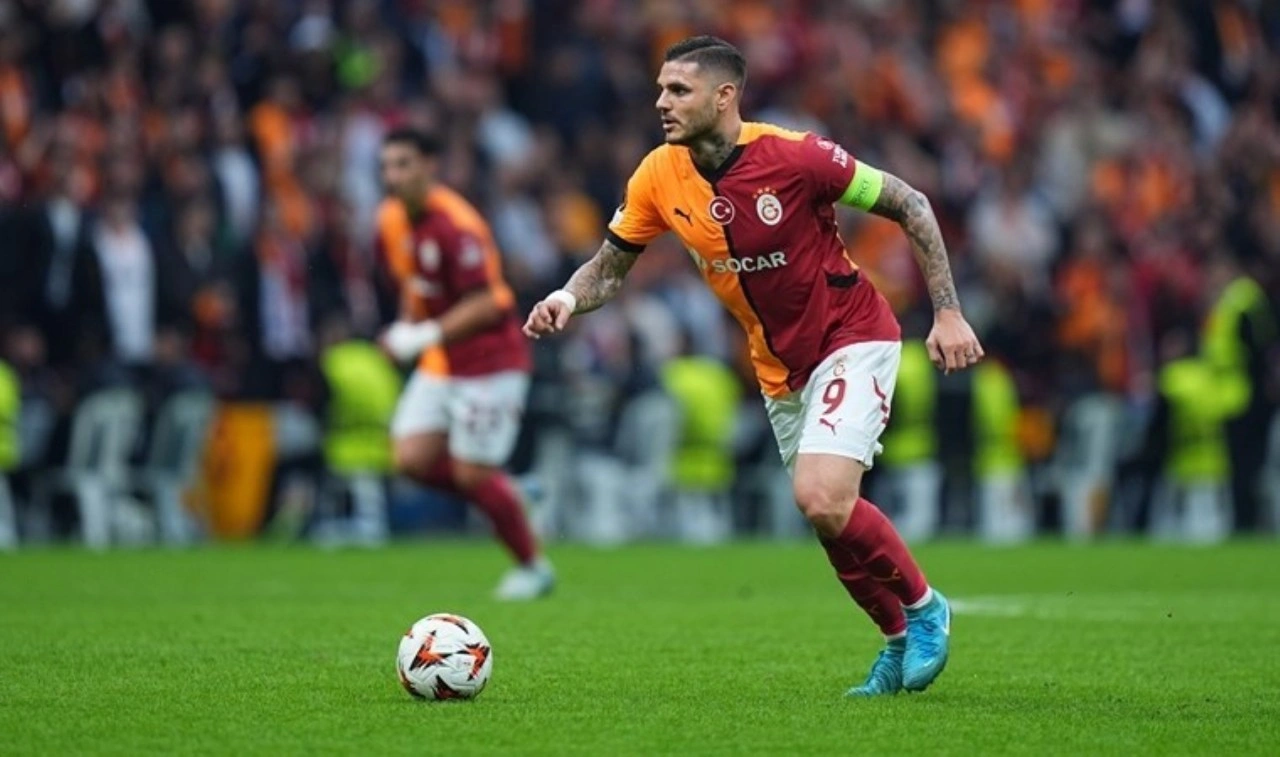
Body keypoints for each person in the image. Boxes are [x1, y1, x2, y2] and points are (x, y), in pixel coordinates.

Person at [525, 36, 984, 695]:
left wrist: (948, 311)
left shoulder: (797, 156)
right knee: (827, 518)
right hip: (778, 367)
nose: (661, 103)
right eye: (660, 89)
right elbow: (609, 268)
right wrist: (567, 299)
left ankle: (926, 608)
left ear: (724, 96)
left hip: (851, 335)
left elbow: (910, 202)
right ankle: (893, 641)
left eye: (678, 90)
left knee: (821, 496)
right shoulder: (657, 174)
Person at [376, 128, 553, 600]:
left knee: (473, 474)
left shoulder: (459, 224)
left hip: (491, 362)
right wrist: (405, 325)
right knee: (410, 458)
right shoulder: (390, 219)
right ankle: (509, 493)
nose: (393, 176)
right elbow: (415, 285)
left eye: (403, 164)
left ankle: (533, 568)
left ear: (430, 166)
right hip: (444, 361)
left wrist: (423, 336)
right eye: (387, 166)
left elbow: (489, 303)